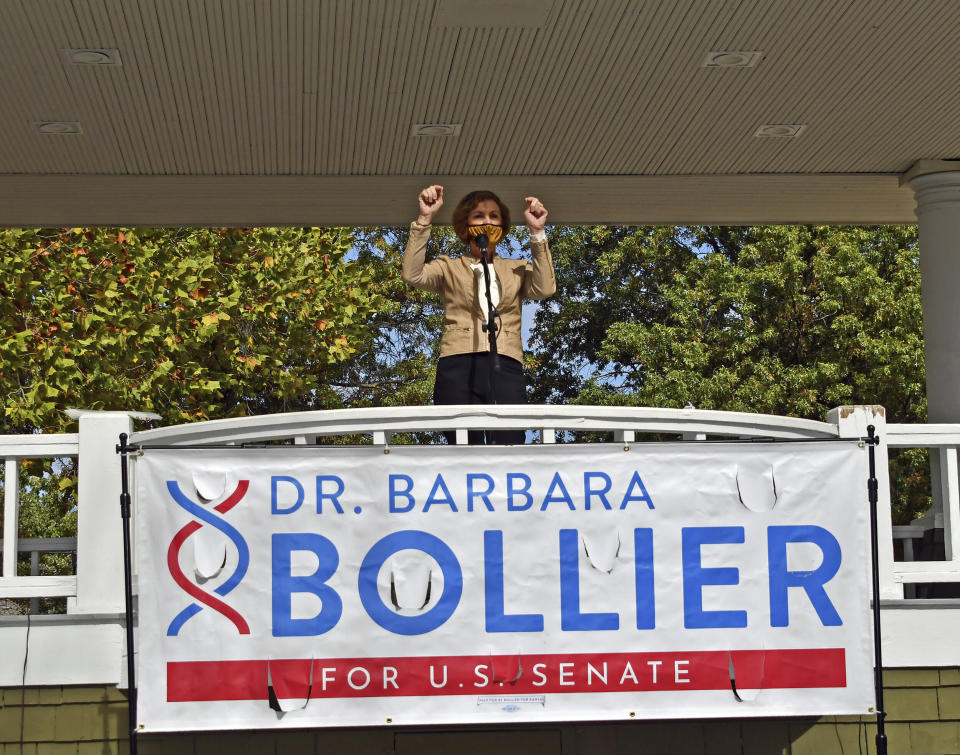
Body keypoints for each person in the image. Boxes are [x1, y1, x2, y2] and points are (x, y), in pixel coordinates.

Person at [402, 185, 556, 444]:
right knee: (463, 442)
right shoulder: (448, 267)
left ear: (503, 224)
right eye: (479, 215)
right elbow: (413, 274)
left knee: (509, 440)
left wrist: (537, 232)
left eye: (494, 216)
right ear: (465, 225)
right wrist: (424, 220)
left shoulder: (516, 268)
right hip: (458, 362)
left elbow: (545, 287)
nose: (487, 221)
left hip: (505, 361)